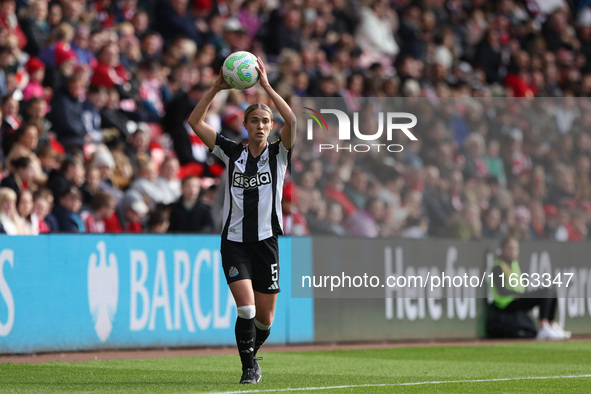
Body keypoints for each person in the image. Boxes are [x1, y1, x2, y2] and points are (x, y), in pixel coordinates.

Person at [188, 57, 294, 385]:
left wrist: (266, 87)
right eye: (255, 121)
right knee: (246, 310)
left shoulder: (280, 154)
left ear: (271, 127)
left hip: (267, 243)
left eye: (266, 121)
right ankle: (249, 367)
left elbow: (292, 119)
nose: (261, 125)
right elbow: (195, 122)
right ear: (246, 126)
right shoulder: (232, 153)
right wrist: (217, 87)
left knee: (265, 321)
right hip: (234, 243)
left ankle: (251, 350)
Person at [487, 236, 570, 340]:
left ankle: (551, 324)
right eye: (510, 248)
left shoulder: (514, 264)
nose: (513, 251)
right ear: (502, 250)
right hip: (507, 303)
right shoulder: (498, 267)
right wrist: (516, 294)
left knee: (551, 291)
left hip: (517, 298)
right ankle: (543, 325)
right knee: (545, 292)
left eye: (515, 249)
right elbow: (501, 290)